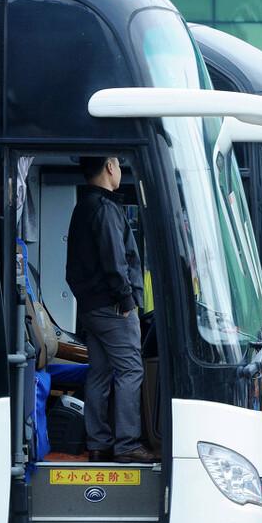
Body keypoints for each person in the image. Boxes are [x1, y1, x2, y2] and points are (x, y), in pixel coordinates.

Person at [65, 155, 153, 464]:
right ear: (110, 166)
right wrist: (127, 301)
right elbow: (116, 260)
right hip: (113, 307)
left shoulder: (82, 207)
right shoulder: (104, 208)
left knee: (100, 373)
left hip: (91, 307)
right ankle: (127, 443)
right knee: (130, 370)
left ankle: (99, 443)